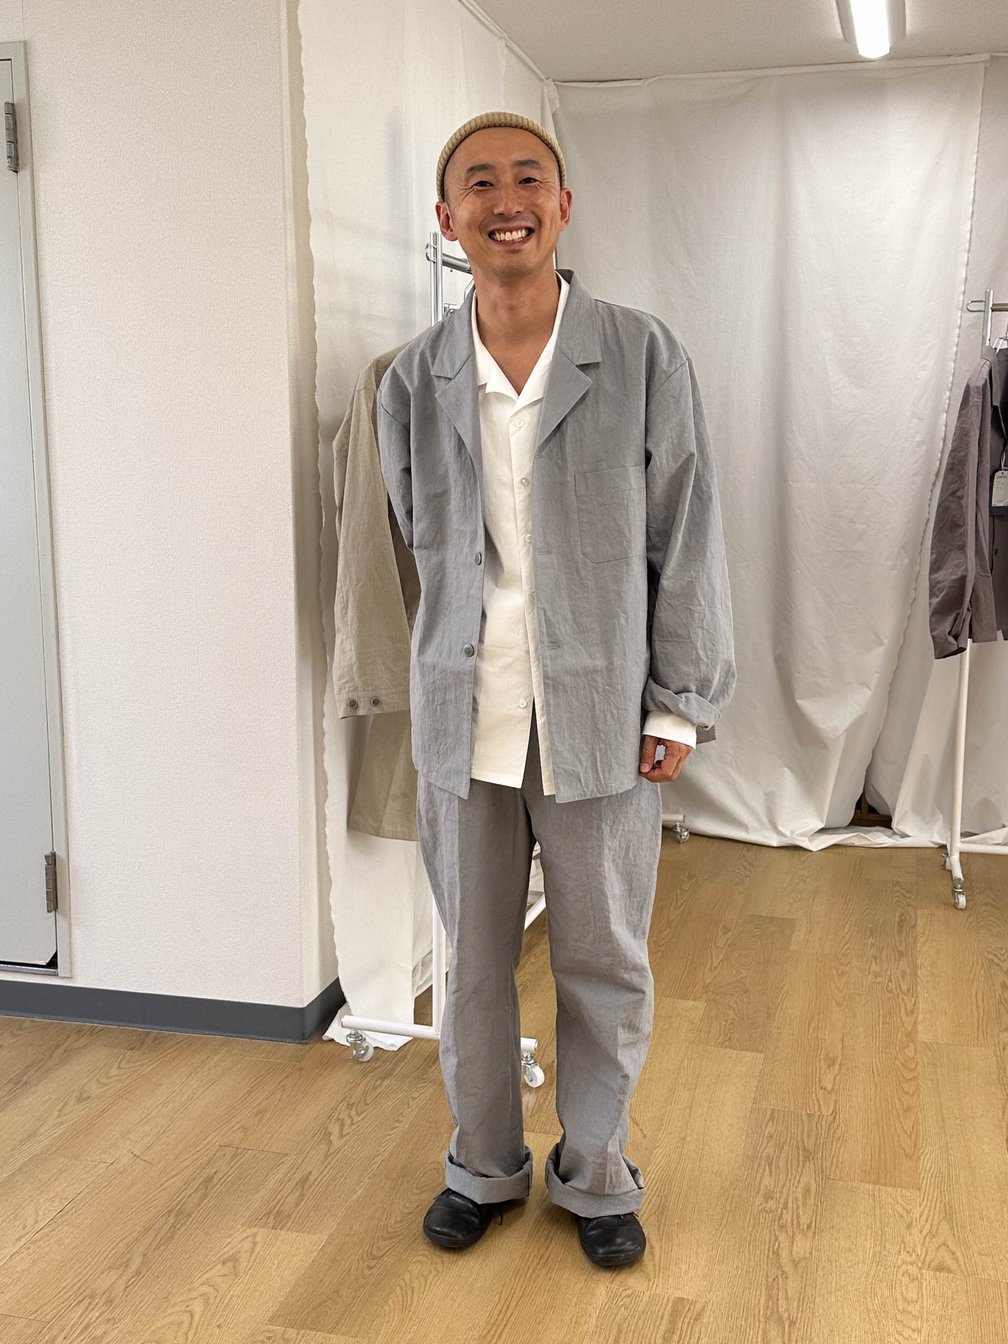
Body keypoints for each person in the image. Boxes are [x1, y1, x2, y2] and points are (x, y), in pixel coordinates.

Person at [378, 111, 735, 1268]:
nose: (506, 200)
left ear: (563, 206)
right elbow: (415, 545)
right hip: (465, 719)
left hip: (600, 715)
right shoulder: (414, 379)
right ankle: (482, 1166)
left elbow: (686, 534)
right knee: (473, 964)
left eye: (527, 178)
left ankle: (596, 1173)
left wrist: (679, 698)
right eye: (478, 184)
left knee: (602, 959)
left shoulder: (640, 354)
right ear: (448, 220)